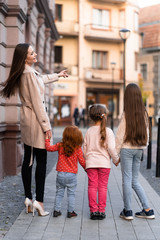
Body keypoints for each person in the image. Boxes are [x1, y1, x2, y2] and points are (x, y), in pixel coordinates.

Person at [0, 43, 68, 216]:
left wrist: (57, 76)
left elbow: (41, 79)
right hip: (36, 121)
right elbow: (38, 103)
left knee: (29, 160)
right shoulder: (29, 73)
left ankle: (29, 198)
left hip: (28, 121)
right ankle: (40, 202)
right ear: (25, 57)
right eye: (32, 53)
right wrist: (47, 127)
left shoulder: (27, 72)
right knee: (41, 160)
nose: (35, 54)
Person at [116, 83, 155, 221]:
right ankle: (147, 209)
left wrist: (115, 155)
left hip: (127, 149)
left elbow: (120, 135)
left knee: (127, 180)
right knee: (134, 180)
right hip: (139, 149)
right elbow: (147, 132)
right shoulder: (144, 112)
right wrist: (145, 145)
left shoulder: (127, 113)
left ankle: (128, 211)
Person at [83, 104, 119, 220]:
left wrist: (87, 160)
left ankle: (93, 211)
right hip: (104, 164)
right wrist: (116, 160)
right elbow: (112, 148)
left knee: (92, 187)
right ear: (105, 116)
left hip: (91, 164)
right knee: (103, 187)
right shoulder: (108, 131)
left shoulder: (89, 131)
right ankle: (101, 211)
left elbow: (85, 148)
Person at [45, 125, 85, 218]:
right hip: (72, 175)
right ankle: (70, 212)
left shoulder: (60, 145)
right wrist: (88, 169)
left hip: (60, 174)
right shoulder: (78, 148)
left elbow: (49, 148)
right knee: (71, 194)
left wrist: (47, 139)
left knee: (59, 192)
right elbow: (82, 161)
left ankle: (56, 210)